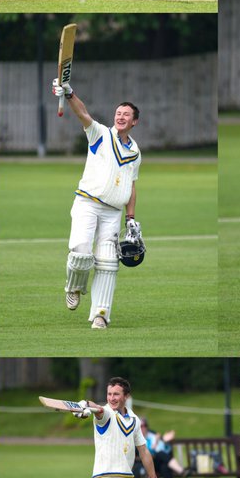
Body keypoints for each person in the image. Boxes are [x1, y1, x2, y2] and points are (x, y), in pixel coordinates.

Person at [50, 74, 141, 329]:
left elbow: (131, 186)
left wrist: (131, 218)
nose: (120, 116)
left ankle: (100, 315)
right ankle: (74, 287)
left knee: (108, 262)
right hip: (87, 203)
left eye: (126, 114)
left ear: (134, 121)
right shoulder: (99, 134)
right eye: (118, 113)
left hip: (113, 213)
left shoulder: (135, 152)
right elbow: (83, 114)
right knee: (80, 252)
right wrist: (68, 93)